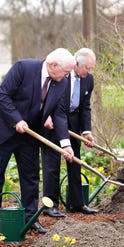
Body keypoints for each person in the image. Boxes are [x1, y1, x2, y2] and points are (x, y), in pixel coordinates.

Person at [0, 48, 76, 235]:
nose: (68, 76)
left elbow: (59, 113)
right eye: (66, 72)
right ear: (53, 65)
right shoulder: (23, 68)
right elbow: (2, 95)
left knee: (31, 176)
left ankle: (31, 218)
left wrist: (65, 144)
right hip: (3, 129)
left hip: (30, 133)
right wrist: (16, 119)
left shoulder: (61, 83)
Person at [41, 47, 99, 217]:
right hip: (53, 122)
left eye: (91, 68)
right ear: (76, 64)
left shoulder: (89, 80)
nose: (89, 72)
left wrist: (86, 130)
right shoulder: (61, 75)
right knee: (52, 163)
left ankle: (77, 203)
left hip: (72, 123)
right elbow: (46, 96)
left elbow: (85, 107)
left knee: (75, 161)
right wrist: (46, 116)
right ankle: (50, 205)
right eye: (87, 68)